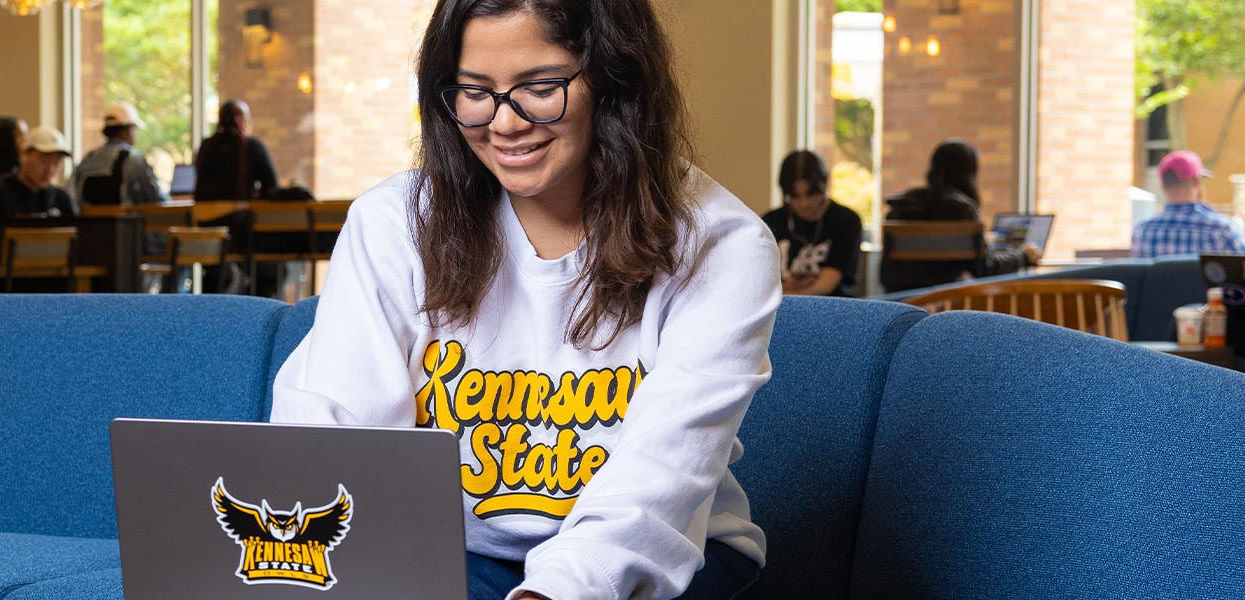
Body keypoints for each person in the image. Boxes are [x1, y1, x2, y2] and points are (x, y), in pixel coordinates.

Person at [270, 1, 774, 598]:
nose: (504, 123)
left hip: (658, 559)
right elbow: (335, 432)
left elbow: (657, 485)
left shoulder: (721, 244)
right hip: (460, 555)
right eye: (474, 91)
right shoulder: (393, 223)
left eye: (539, 87)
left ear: (614, 82)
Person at [879, 140, 1039, 293]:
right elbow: (984, 269)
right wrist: (1023, 256)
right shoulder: (961, 209)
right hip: (944, 303)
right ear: (971, 173)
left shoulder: (900, 207)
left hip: (899, 301)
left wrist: (979, 242)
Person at [763, 150, 861, 297]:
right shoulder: (770, 222)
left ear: (822, 187)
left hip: (832, 311)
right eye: (795, 196)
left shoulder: (846, 221)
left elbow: (826, 286)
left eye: (810, 194)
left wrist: (783, 293)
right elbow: (759, 284)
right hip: (780, 311)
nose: (804, 204)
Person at [1130, 150, 1245, 258]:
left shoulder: (1141, 231)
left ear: (1162, 186)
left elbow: (1135, 276)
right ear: (1196, 182)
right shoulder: (1221, 229)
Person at [74, 102, 169, 206]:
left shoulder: (88, 159)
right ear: (126, 130)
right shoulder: (134, 159)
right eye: (134, 129)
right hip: (125, 222)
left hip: (89, 222)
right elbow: (155, 198)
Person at [0, 126, 78, 220]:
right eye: (43, 161)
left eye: (56, 163)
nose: (49, 170)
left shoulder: (61, 199)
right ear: (24, 156)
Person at [194, 100, 279, 201]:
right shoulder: (253, 146)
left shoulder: (206, 146)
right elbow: (271, 187)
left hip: (201, 213)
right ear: (241, 121)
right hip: (235, 214)